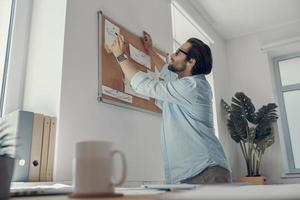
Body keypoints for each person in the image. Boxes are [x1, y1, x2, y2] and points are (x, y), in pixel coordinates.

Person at [108, 31, 232, 184]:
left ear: (191, 61)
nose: (172, 54)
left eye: (178, 52)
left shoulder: (192, 86)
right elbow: (168, 72)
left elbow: (145, 86)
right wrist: (150, 50)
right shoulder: (188, 83)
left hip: (205, 172)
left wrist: (120, 56)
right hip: (196, 172)